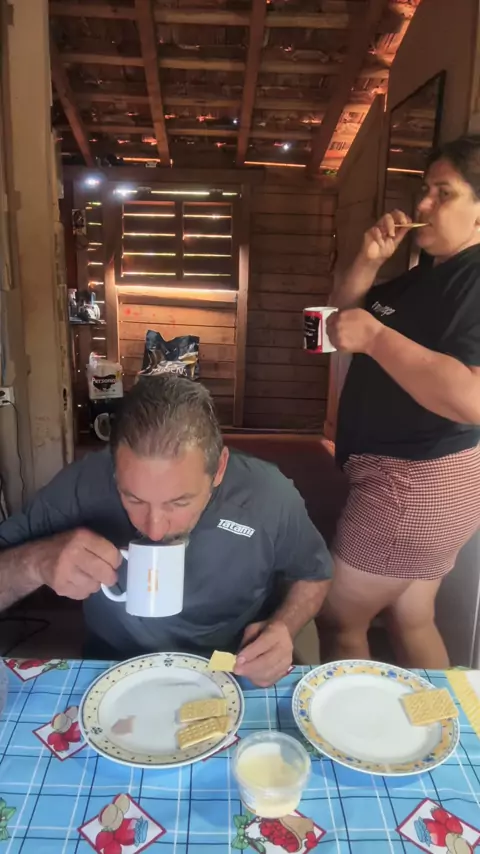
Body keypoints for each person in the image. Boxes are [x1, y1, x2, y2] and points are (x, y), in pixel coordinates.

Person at [0, 375, 332, 687]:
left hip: (230, 666)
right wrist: (34, 563)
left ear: (219, 469)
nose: (155, 530)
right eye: (133, 498)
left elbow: (314, 575)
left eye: (179, 502)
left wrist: (283, 626)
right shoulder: (83, 484)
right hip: (112, 664)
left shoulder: (267, 496)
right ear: (114, 468)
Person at [323, 135, 480, 668]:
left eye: (444, 193)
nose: (423, 204)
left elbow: (471, 399)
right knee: (412, 617)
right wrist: (367, 263)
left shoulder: (475, 280)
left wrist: (376, 338)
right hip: (415, 475)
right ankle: (443, 717)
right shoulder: (428, 275)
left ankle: (346, 720)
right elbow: (336, 329)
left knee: (339, 620)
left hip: (414, 481)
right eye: (424, 190)